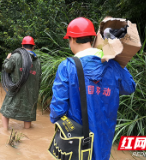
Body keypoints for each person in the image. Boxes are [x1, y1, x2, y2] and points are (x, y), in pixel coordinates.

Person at [49, 17, 136, 160]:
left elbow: (57, 110)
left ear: (72, 39)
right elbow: (130, 87)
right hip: (104, 141)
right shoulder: (113, 65)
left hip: (76, 144)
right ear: (93, 38)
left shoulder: (67, 67)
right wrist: (119, 60)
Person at [0, 36, 42, 130]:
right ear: (33, 47)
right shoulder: (37, 61)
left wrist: (7, 59)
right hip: (30, 93)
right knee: (28, 114)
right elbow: (39, 77)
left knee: (6, 110)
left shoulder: (15, 56)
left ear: (22, 45)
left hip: (16, 89)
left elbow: (7, 68)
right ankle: (26, 134)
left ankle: (5, 131)